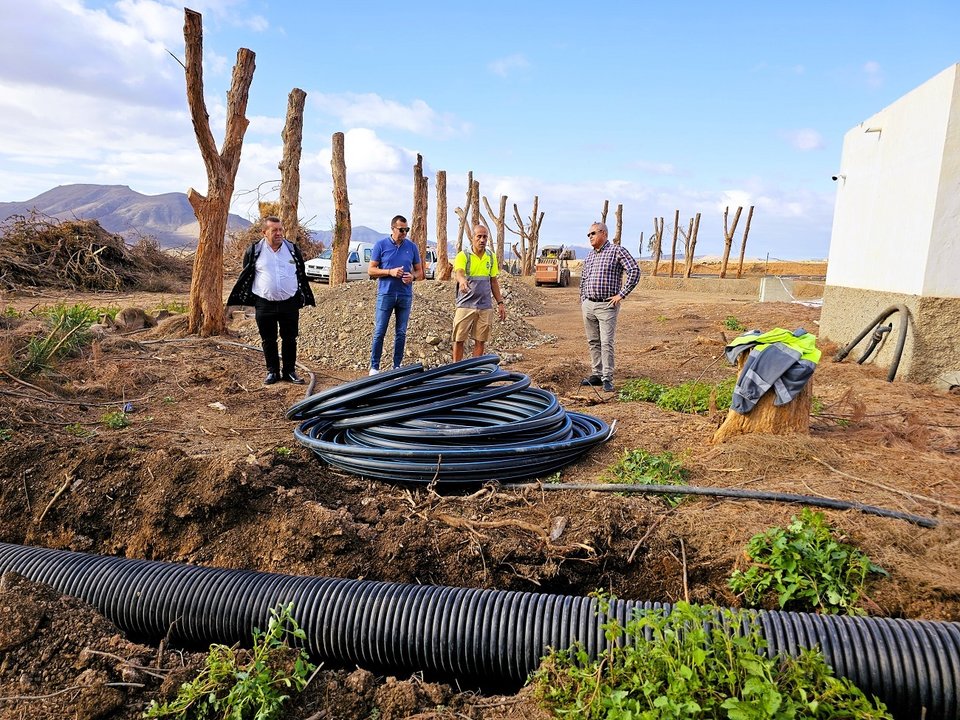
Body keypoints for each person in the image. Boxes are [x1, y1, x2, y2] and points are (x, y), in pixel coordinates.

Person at [227, 215, 315, 385]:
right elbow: (248, 274)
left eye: (280, 229)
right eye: (274, 230)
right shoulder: (254, 251)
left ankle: (289, 371)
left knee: (290, 338)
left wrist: (301, 296)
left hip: (289, 303)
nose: (279, 233)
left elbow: (300, 273)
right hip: (264, 303)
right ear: (264, 232)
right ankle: (272, 371)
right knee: (268, 339)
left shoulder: (292, 250)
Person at [579, 221, 640, 393]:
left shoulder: (616, 251)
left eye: (593, 233)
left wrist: (621, 294)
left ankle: (607, 377)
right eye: (588, 234)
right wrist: (583, 299)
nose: (590, 237)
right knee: (593, 341)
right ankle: (597, 374)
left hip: (607, 305)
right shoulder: (590, 256)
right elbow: (583, 279)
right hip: (589, 304)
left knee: (606, 342)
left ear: (604, 234)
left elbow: (634, 271)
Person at [368, 215, 422, 374]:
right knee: (380, 331)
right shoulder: (380, 245)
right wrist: (389, 272)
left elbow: (420, 271)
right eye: (401, 230)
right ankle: (374, 367)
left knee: (401, 332)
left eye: (407, 229)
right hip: (386, 294)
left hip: (405, 295)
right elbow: (371, 270)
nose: (405, 232)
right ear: (392, 229)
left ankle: (397, 366)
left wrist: (412, 277)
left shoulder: (412, 247)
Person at [452, 224, 506, 362]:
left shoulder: (491, 257)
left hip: (484, 306)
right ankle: (456, 371)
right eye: (479, 237)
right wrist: (462, 280)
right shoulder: (463, 256)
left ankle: (474, 372)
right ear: (472, 238)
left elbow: (493, 281)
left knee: (480, 340)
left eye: (485, 237)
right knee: (459, 339)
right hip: (466, 304)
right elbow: (459, 272)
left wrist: (500, 303)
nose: (482, 240)